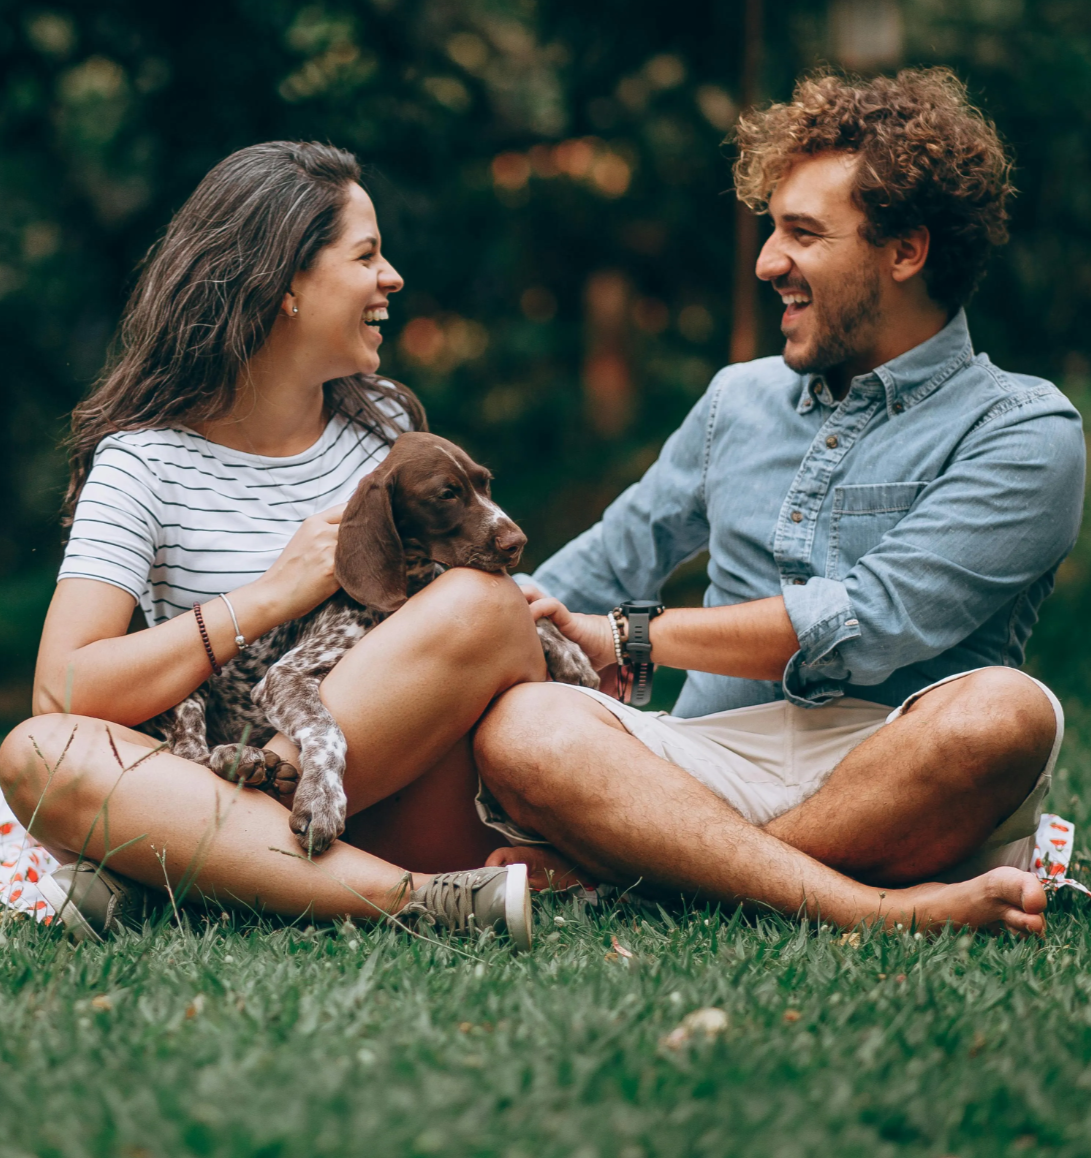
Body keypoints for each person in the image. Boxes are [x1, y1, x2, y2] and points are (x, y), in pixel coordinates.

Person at [473, 67, 1085, 936]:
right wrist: (479, 623)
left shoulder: (1024, 428)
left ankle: (645, 868)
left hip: (897, 763)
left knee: (1007, 711)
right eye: (771, 231)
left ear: (905, 250)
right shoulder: (738, 400)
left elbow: (870, 619)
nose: (768, 263)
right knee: (524, 722)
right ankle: (869, 903)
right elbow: (611, 557)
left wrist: (633, 635)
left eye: (801, 233)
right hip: (706, 761)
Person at [0, 141, 541, 946]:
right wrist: (267, 597)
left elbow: (447, 632)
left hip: (386, 794)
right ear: (285, 284)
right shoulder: (144, 463)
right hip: (210, 788)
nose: (391, 278)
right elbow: (63, 689)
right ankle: (415, 900)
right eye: (366, 255)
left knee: (480, 603)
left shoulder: (384, 427)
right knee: (40, 751)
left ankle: (203, 873)